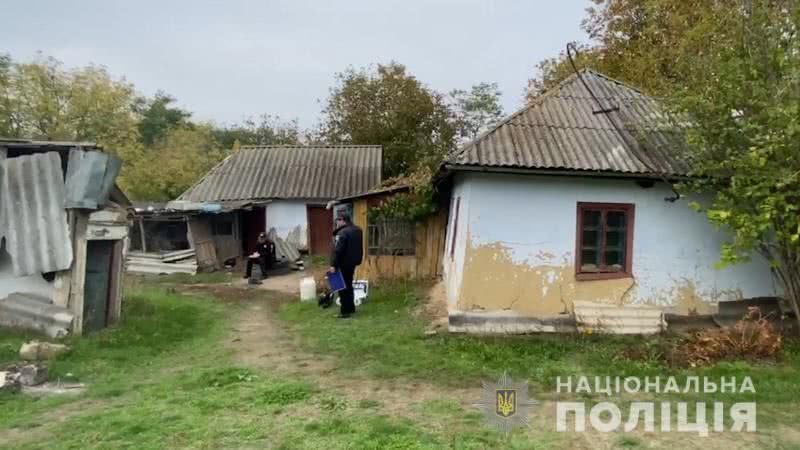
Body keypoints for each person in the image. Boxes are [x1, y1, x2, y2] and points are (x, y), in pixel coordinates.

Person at [329, 212, 363, 318]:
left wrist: (333, 264)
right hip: (352, 263)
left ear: (343, 221)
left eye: (338, 220)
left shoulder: (342, 233)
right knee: (349, 285)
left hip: (342, 263)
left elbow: (338, 250)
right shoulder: (358, 230)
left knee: (341, 288)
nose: (337, 223)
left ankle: (345, 312)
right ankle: (351, 308)